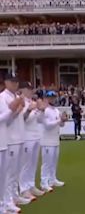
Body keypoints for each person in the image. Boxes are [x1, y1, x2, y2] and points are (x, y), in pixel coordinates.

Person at [0, 73, 32, 214]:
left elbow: (17, 117)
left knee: (14, 172)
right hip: (10, 139)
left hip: (18, 137)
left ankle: (13, 197)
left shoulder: (14, 97)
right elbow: (6, 119)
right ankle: (6, 201)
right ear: (6, 82)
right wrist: (16, 109)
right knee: (8, 173)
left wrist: (19, 109)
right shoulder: (3, 97)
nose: (15, 84)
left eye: (17, 82)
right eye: (12, 82)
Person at [19, 82, 46, 200]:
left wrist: (42, 110)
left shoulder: (32, 102)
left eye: (31, 89)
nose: (31, 91)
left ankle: (30, 185)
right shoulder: (21, 102)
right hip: (26, 137)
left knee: (33, 163)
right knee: (26, 164)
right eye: (28, 89)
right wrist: (29, 110)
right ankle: (23, 189)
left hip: (36, 136)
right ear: (23, 90)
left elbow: (39, 120)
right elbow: (22, 120)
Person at [40, 91, 67, 192]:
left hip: (55, 140)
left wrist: (63, 120)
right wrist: (59, 121)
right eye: (50, 97)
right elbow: (47, 125)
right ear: (46, 98)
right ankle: (44, 182)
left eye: (54, 97)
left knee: (54, 161)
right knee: (46, 162)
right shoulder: (45, 110)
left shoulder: (56, 110)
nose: (52, 99)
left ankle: (52, 179)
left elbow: (61, 125)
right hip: (47, 141)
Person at [0, 80, 20, 214]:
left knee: (4, 176)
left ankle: (3, 204)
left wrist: (15, 111)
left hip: (3, 142)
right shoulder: (3, 98)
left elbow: (7, 120)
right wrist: (12, 110)